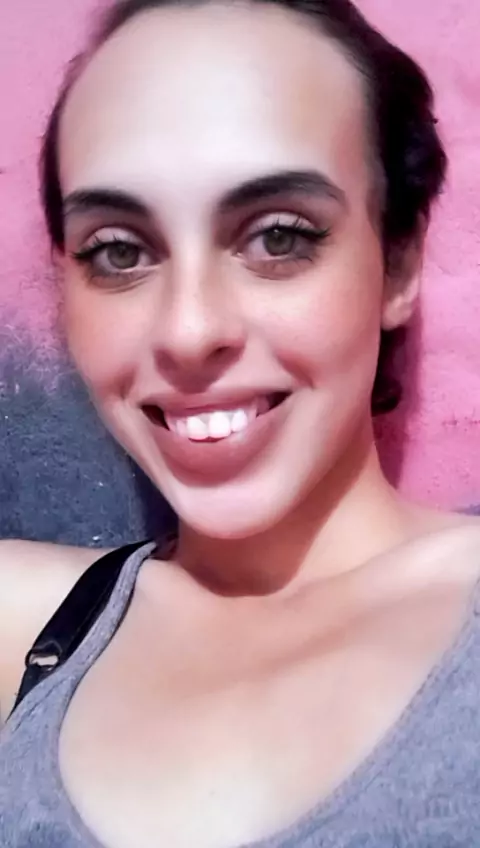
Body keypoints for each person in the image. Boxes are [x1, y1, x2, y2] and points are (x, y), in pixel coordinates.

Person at [1, 0, 480, 845]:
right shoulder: (20, 622)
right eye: (119, 251)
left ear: (398, 261)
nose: (189, 331)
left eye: (279, 238)